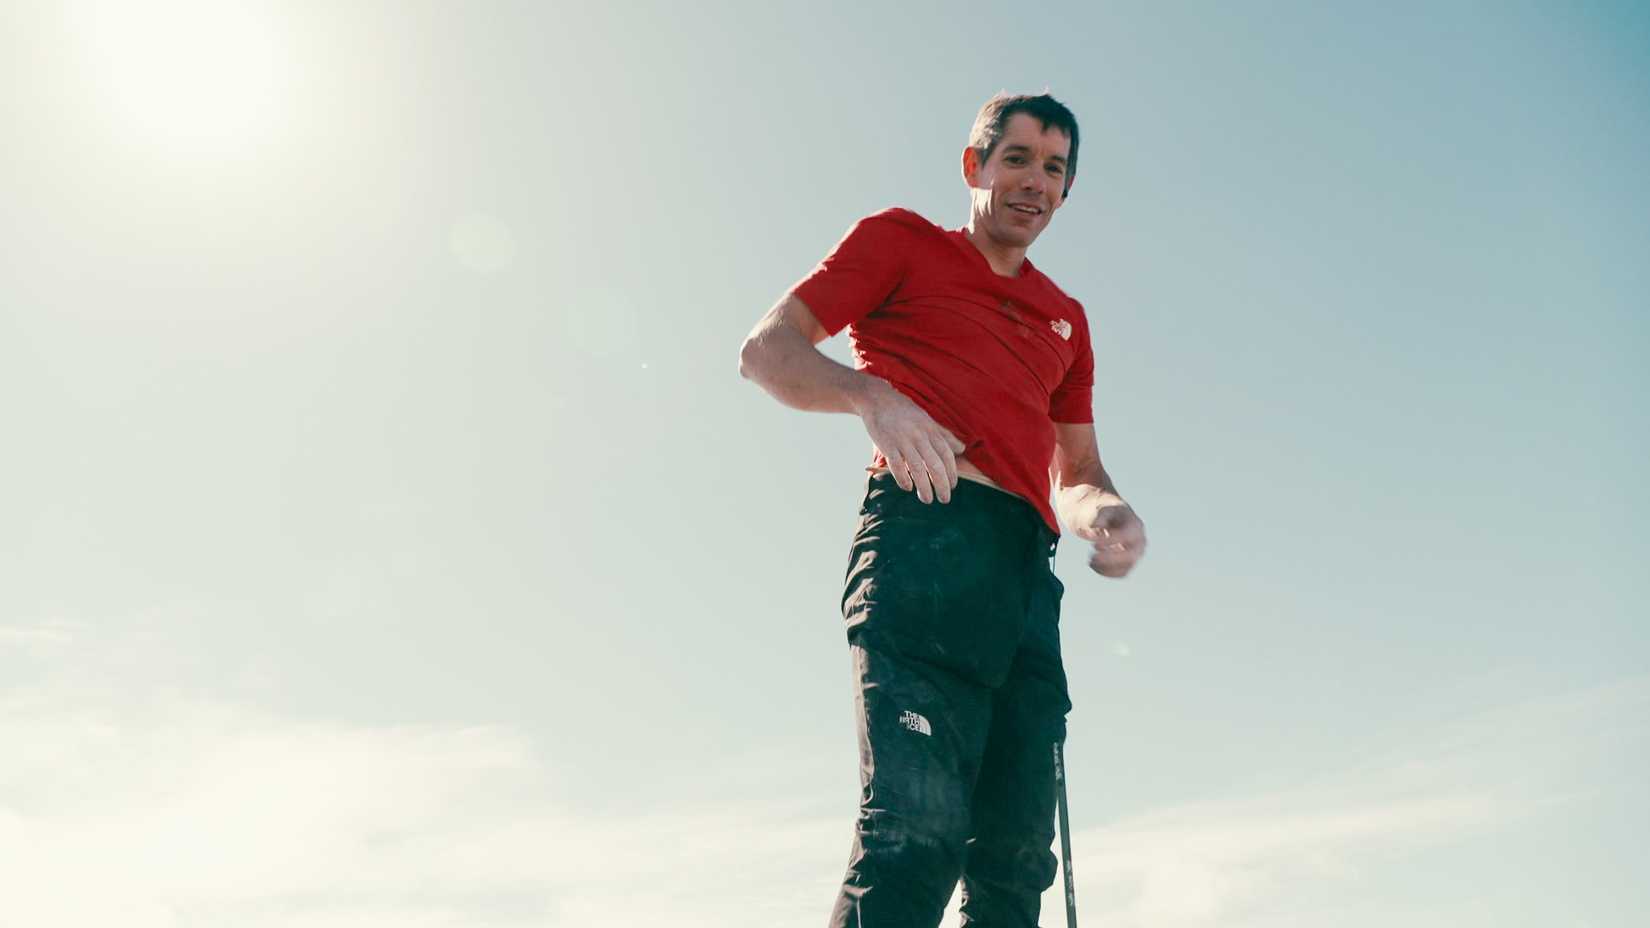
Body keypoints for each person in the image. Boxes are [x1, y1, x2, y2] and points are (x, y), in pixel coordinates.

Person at [737, 92, 1147, 928]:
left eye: (1056, 169)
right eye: (1019, 159)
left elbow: (1078, 470)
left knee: (1016, 862)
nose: (1036, 182)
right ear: (975, 165)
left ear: (1068, 192)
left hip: (1026, 581)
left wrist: (1106, 511)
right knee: (916, 834)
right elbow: (767, 352)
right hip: (924, 545)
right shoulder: (900, 243)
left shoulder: (1067, 319)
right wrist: (870, 397)